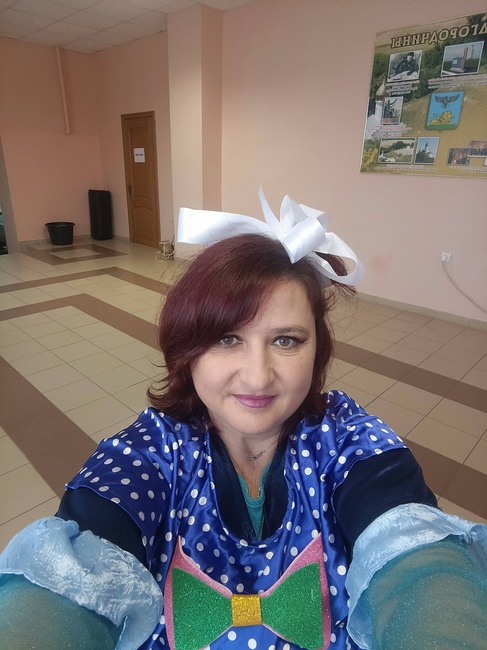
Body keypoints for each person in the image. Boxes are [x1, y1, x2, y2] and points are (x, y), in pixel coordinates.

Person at [0, 190, 486, 650]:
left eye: (286, 340)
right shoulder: (147, 454)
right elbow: (68, 582)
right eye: (227, 339)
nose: (257, 376)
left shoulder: (348, 441)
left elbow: (421, 564)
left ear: (318, 350)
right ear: (186, 348)